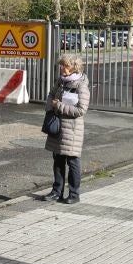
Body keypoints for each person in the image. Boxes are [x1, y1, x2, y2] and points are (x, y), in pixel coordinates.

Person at [45, 54, 91, 204]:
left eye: (65, 65)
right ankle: (57, 191)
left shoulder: (81, 85)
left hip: (72, 129)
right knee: (57, 159)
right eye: (61, 65)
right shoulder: (60, 81)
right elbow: (51, 95)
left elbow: (81, 110)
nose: (62, 68)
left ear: (74, 67)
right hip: (58, 127)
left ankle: (74, 194)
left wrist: (58, 106)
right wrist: (50, 106)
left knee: (72, 161)